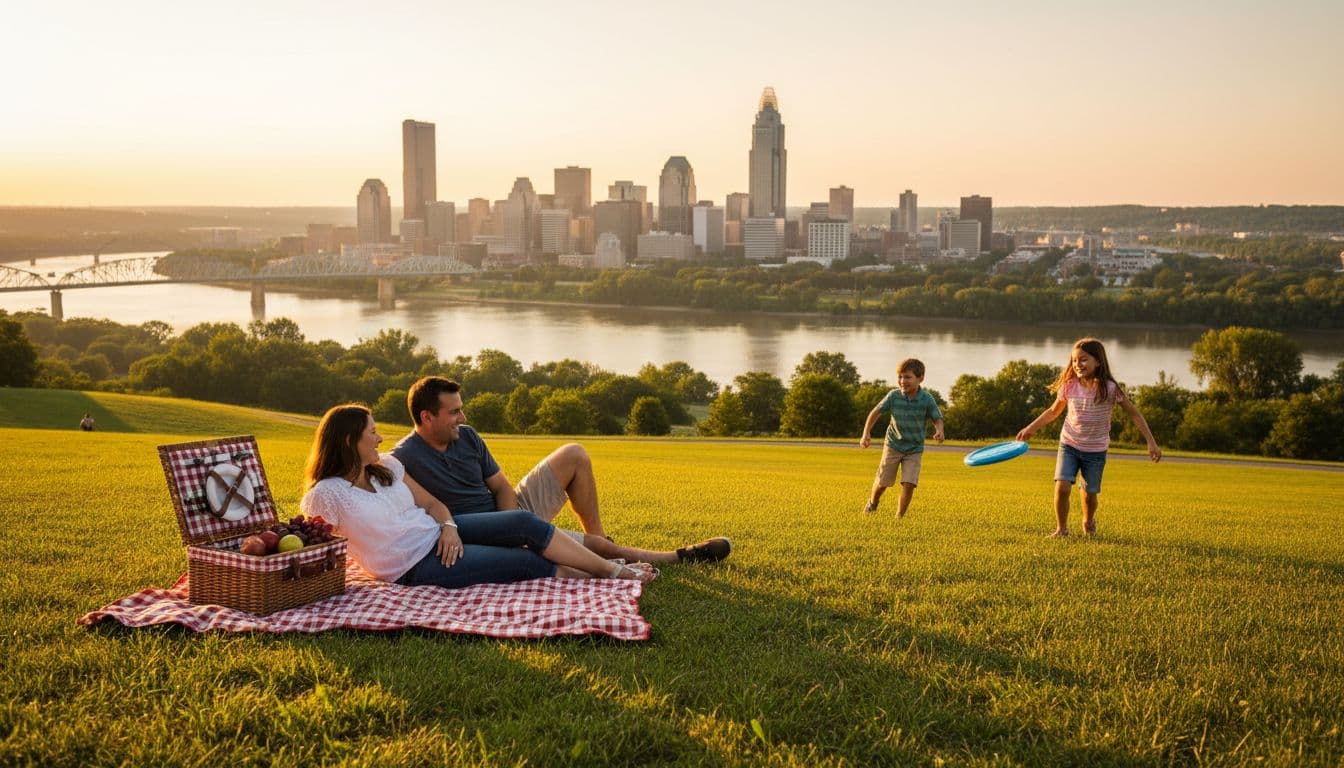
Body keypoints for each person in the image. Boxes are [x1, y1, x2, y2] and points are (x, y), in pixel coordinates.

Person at [299, 404, 657, 589]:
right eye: (372, 434)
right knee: (525, 563)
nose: (379, 439)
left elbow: (432, 505)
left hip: (439, 534)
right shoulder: (327, 495)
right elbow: (315, 548)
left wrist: (449, 527)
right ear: (349, 441)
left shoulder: (388, 467)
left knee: (522, 523)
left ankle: (611, 569)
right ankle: (611, 574)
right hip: (414, 566)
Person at [392, 376, 731, 566]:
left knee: (574, 453)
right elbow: (363, 473)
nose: (463, 419)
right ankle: (679, 557)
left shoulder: (466, 436)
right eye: (454, 412)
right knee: (594, 554)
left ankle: (599, 538)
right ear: (426, 417)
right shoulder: (403, 458)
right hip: (474, 528)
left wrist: (510, 523)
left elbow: (501, 487)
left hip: (511, 513)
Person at [1015, 337, 1161, 538]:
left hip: (1095, 450)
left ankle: (1088, 519)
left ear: (1098, 361)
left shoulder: (1110, 389)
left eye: (1083, 360)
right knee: (1062, 486)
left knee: (1090, 495)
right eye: (1074, 361)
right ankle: (1061, 529)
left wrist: (1150, 442)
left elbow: (1134, 413)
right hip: (1069, 444)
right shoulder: (1069, 386)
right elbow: (1053, 411)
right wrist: (1031, 427)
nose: (1077, 365)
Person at [858, 358, 945, 517]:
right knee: (883, 482)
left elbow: (937, 417)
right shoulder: (893, 396)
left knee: (909, 483)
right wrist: (866, 433)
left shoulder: (927, 399)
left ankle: (899, 518)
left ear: (920, 379)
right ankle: (873, 503)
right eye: (900, 377)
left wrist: (939, 430)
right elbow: (875, 412)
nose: (902, 381)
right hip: (893, 445)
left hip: (914, 448)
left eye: (908, 377)